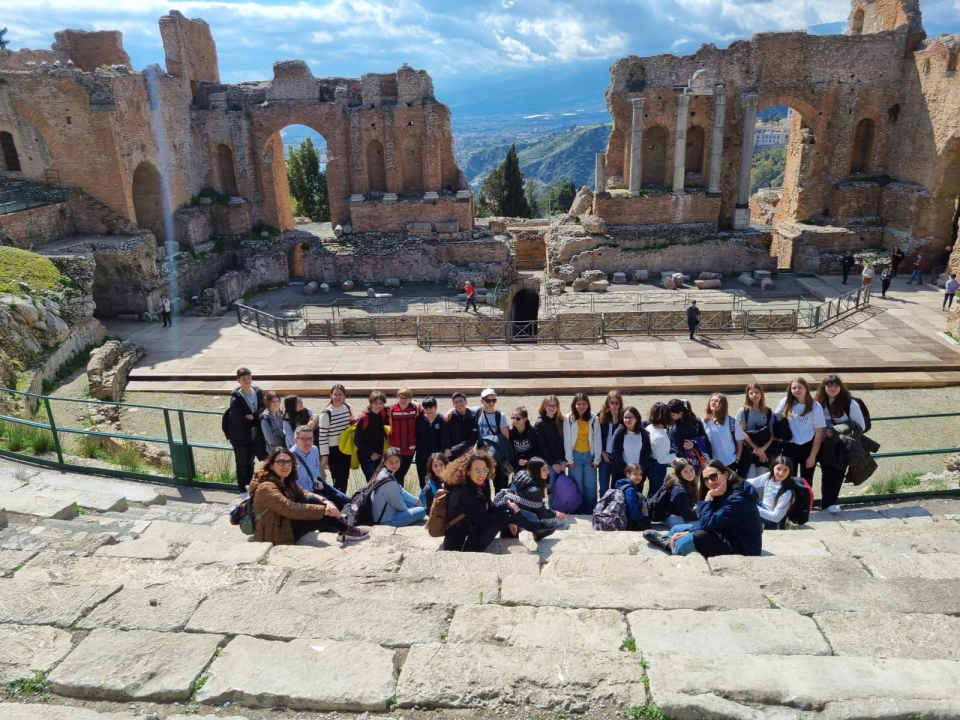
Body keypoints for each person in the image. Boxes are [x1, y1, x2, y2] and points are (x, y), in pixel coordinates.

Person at [250, 447, 368, 545]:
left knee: (312, 500)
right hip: (273, 534)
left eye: (289, 462)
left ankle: (343, 528)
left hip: (283, 523)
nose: (286, 465)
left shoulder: (285, 480)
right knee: (319, 513)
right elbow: (291, 509)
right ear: (271, 465)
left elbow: (305, 493)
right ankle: (344, 529)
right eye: (281, 462)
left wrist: (326, 502)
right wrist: (324, 511)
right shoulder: (266, 488)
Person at [644, 460, 761, 558]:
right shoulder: (724, 490)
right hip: (726, 531)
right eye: (706, 479)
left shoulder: (737, 499)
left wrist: (708, 497)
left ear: (726, 474)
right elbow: (709, 521)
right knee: (677, 529)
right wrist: (689, 531)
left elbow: (707, 523)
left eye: (714, 476)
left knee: (698, 536)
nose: (709, 482)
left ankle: (671, 546)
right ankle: (669, 539)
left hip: (742, 545)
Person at [441, 449, 540, 552]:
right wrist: (509, 514)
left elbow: (489, 506)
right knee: (509, 512)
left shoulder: (481, 483)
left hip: (475, 529)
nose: (482, 474)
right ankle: (540, 527)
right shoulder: (463, 492)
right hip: (465, 543)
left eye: (485, 470)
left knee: (508, 508)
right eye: (477, 470)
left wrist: (509, 515)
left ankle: (537, 526)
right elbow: (485, 521)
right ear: (468, 471)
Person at [815, 374, 867, 514]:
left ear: (841, 387)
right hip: (823, 444)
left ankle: (831, 503)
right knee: (826, 473)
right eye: (829, 385)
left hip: (841, 445)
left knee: (837, 473)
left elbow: (860, 426)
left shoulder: (850, 404)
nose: (832, 388)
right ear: (823, 387)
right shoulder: (818, 403)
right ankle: (825, 504)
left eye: (836, 385)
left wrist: (836, 431)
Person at [496, 457, 564, 540]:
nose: (548, 472)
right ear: (536, 471)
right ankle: (539, 532)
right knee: (560, 520)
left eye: (547, 469)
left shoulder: (522, 475)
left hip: (513, 512)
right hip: (521, 517)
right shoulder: (535, 490)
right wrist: (555, 513)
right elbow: (541, 512)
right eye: (544, 470)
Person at [774, 377, 825, 487]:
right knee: (787, 478)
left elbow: (819, 433)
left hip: (807, 446)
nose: (797, 390)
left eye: (800, 387)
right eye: (794, 388)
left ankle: (805, 498)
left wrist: (812, 456)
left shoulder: (815, 406)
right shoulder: (785, 402)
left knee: (806, 480)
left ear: (806, 388)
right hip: (789, 446)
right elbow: (775, 421)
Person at [289, 425, 349, 509]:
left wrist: (316, 480)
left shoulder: (314, 449)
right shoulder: (289, 457)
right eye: (304, 439)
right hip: (301, 496)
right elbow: (288, 482)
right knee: (331, 508)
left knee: (344, 500)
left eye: (310, 439)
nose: (308, 442)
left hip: (316, 488)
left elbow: (315, 469)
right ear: (295, 440)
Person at [227, 367, 265, 493]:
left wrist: (253, 416)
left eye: (249, 378)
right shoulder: (236, 399)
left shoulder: (257, 392)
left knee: (250, 462)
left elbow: (262, 409)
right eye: (244, 379)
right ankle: (243, 491)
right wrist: (256, 419)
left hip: (254, 436)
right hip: (240, 437)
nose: (247, 381)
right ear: (238, 380)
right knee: (242, 464)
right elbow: (239, 421)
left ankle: (250, 488)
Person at [563, 392, 601, 514]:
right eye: (578, 404)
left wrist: (597, 459)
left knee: (591, 485)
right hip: (575, 455)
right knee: (577, 485)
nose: (581, 406)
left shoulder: (594, 419)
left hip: (589, 455)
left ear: (588, 405)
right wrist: (569, 460)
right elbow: (567, 440)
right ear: (574, 405)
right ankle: (578, 509)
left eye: (584, 404)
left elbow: (597, 439)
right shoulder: (568, 418)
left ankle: (591, 510)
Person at [370, 448, 427, 527]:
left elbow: (401, 491)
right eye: (391, 462)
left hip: (387, 511)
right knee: (424, 510)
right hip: (386, 520)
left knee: (419, 503)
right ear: (384, 462)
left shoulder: (384, 472)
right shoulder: (388, 481)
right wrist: (411, 509)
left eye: (397, 461)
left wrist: (416, 501)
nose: (394, 465)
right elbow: (399, 505)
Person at [318, 384, 354, 495]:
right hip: (333, 450)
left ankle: (342, 498)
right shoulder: (326, 413)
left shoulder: (347, 407)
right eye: (335, 394)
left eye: (340, 394)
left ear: (344, 396)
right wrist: (324, 455)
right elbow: (322, 435)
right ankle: (337, 499)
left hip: (346, 447)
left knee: (345, 475)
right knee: (337, 477)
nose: (337, 397)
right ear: (331, 396)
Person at [736, 383, 776, 479]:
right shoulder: (743, 411)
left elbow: (771, 434)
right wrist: (757, 449)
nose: (754, 395)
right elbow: (742, 432)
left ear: (761, 393)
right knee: (750, 479)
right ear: (748, 395)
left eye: (757, 392)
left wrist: (763, 449)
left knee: (762, 480)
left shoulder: (768, 412)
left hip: (764, 452)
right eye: (751, 393)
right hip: (749, 450)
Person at [748, 455, 798, 530]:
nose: (781, 473)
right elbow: (750, 482)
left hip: (772, 521)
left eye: (785, 470)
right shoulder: (769, 477)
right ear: (773, 467)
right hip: (763, 508)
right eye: (778, 469)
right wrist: (734, 479)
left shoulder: (787, 492)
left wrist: (753, 508)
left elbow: (776, 518)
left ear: (789, 472)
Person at [532, 395, 567, 502]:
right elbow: (541, 446)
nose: (551, 408)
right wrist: (552, 463)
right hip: (549, 463)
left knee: (562, 487)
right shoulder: (540, 423)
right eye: (549, 405)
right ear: (544, 406)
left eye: (554, 405)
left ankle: (562, 508)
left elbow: (565, 442)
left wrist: (564, 460)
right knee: (551, 487)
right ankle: (552, 509)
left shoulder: (561, 421)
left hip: (561, 461)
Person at [610, 405, 652, 489]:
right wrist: (627, 470)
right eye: (625, 417)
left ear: (636, 418)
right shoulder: (619, 433)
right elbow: (615, 453)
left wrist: (638, 471)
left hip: (638, 474)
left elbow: (646, 454)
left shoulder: (644, 434)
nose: (627, 420)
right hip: (621, 472)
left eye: (630, 417)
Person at [667, 398, 711, 474]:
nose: (670, 416)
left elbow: (705, 440)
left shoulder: (695, 422)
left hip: (695, 462)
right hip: (678, 462)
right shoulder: (670, 423)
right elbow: (670, 442)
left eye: (672, 415)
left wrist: (693, 443)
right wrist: (673, 457)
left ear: (680, 413)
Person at [702, 393, 744, 472]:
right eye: (712, 400)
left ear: (723, 404)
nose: (713, 403)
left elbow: (739, 441)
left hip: (730, 461)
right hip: (713, 462)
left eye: (716, 401)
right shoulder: (705, 421)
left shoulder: (731, 422)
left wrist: (737, 459)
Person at [387, 388, 419, 484]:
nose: (403, 400)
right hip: (396, 448)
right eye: (401, 397)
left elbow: (430, 411)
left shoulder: (415, 409)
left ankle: (399, 492)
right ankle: (397, 492)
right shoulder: (391, 410)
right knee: (396, 474)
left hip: (410, 448)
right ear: (397, 398)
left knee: (402, 473)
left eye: (406, 398)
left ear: (410, 399)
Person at [356, 391, 389, 481]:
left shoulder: (382, 412)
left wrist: (414, 402)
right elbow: (357, 440)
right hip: (367, 457)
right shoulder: (364, 418)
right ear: (370, 403)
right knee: (372, 482)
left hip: (379, 455)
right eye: (375, 403)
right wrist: (370, 454)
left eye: (381, 403)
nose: (378, 406)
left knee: (380, 481)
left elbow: (396, 405)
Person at [598, 390, 624, 497]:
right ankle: (603, 505)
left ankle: (614, 505)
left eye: (617, 403)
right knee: (603, 487)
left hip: (617, 456)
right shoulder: (600, 416)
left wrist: (615, 418)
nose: (614, 405)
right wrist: (602, 453)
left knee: (616, 486)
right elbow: (596, 437)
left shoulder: (623, 416)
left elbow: (618, 436)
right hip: (604, 455)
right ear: (607, 403)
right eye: (612, 402)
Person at [415, 397, 445, 487]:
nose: (428, 410)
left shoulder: (442, 419)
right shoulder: (419, 419)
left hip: (436, 456)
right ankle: (425, 495)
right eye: (426, 408)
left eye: (431, 408)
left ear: (436, 407)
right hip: (422, 455)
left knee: (438, 479)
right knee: (423, 480)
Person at [646, 402, 674, 496]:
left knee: (653, 490)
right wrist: (674, 457)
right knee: (656, 492)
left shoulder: (649, 427)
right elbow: (661, 459)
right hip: (658, 467)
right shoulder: (660, 437)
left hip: (651, 464)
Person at [441, 392, 479, 461]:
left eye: (461, 401)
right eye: (456, 402)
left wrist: (454, 450)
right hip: (449, 455)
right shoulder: (449, 418)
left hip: (466, 454)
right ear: (453, 405)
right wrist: (447, 450)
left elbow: (473, 438)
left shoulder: (472, 418)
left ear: (466, 402)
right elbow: (445, 436)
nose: (459, 404)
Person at [663, 459, 699, 529]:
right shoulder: (680, 491)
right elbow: (688, 515)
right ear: (679, 473)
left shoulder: (687, 482)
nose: (690, 473)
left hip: (682, 515)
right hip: (675, 519)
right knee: (705, 525)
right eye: (686, 471)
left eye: (691, 470)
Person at [615, 463, 651, 531]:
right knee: (647, 523)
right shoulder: (630, 489)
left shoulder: (623, 485)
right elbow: (632, 512)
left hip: (622, 517)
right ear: (628, 474)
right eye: (635, 474)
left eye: (640, 474)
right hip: (628, 521)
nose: (638, 477)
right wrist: (642, 514)